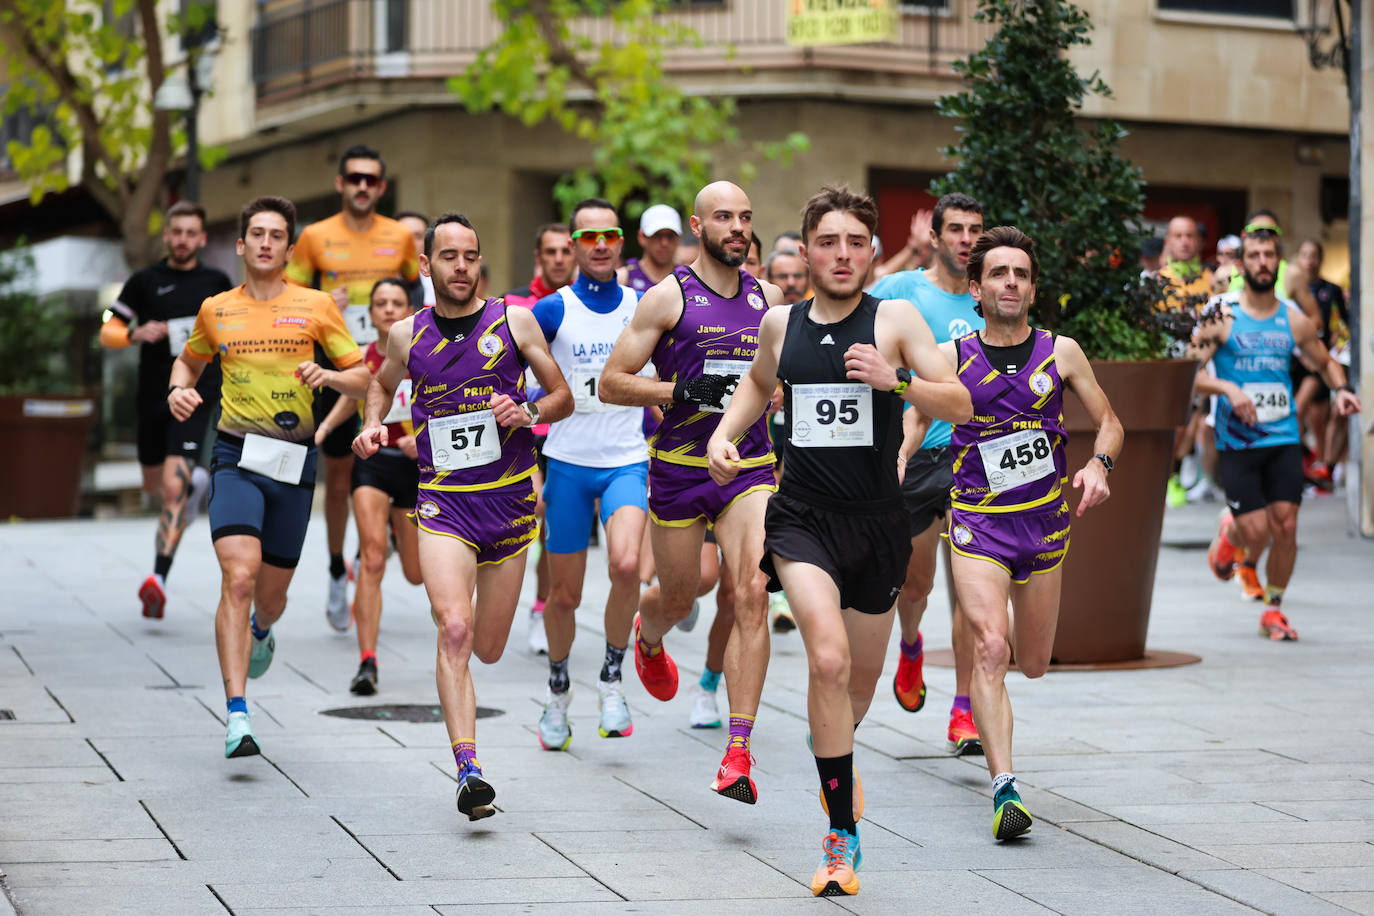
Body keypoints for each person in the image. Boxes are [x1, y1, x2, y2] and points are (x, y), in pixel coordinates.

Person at [708, 186, 971, 897]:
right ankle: (839, 840)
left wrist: (901, 380)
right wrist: (723, 436)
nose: (844, 254)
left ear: (871, 250)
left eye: (857, 242)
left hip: (879, 525)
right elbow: (758, 385)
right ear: (807, 247)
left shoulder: (895, 320)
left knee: (853, 688)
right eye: (829, 241)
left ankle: (833, 751)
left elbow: (961, 402)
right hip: (802, 518)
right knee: (825, 659)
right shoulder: (779, 323)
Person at [354, 213, 572, 820]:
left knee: (491, 647)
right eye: (447, 256)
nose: (460, 267)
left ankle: (472, 715)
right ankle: (468, 768)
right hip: (443, 502)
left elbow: (563, 396)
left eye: (470, 256)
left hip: (507, 503)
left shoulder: (514, 319)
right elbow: (379, 384)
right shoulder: (406, 335)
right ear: (426, 266)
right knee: (454, 628)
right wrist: (373, 423)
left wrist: (526, 409)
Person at [928, 226, 1122, 840]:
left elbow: (1111, 423)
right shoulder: (951, 355)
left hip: (1042, 524)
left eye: (1021, 274)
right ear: (976, 288)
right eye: (998, 274)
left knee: (1033, 663)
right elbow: (915, 414)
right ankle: (1004, 788)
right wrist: (900, 456)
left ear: (1032, 289)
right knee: (992, 646)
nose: (1010, 282)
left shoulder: (1061, 352)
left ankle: (992, 704)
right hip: (977, 521)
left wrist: (1099, 464)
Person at [600, 180, 784, 805]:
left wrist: (777, 392)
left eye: (746, 217)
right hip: (679, 470)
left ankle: (737, 751)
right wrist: (680, 392)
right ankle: (648, 639)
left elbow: (777, 380)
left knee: (751, 590)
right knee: (679, 597)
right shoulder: (666, 298)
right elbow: (611, 383)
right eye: (724, 217)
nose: (738, 227)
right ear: (696, 227)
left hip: (749, 469)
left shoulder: (771, 299)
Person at [167, 196, 370, 758]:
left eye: (276, 235)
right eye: (255, 233)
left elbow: (364, 380)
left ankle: (262, 629)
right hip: (234, 455)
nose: (264, 242)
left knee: (271, 597)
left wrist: (326, 373)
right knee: (238, 575)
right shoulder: (216, 309)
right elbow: (188, 361)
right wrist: (178, 388)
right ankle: (237, 713)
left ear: (288, 248)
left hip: (293, 460)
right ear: (240, 244)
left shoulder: (316, 306)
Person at [284, 144, 421, 633]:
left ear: (381, 188)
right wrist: (320, 301)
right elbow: (288, 297)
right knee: (340, 477)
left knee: (399, 457)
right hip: (341, 364)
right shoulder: (315, 237)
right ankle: (338, 568)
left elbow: (417, 293)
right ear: (340, 184)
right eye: (354, 178)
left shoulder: (400, 236)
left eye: (371, 180)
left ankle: (377, 539)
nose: (362, 186)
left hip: (395, 365)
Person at [1197, 228, 1359, 641]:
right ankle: (1230, 534)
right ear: (1243, 264)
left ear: (1279, 263)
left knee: (1285, 526)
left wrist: (1340, 390)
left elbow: (1325, 363)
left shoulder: (1292, 318)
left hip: (1283, 436)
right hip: (1237, 440)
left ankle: (1273, 608)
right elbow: (1189, 373)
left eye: (1269, 254)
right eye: (1254, 255)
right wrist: (1228, 389)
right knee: (1256, 531)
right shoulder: (1224, 316)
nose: (1263, 262)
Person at [869, 191, 986, 755]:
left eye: (975, 230)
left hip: (976, 462)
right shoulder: (901, 291)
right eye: (956, 229)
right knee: (916, 585)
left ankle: (963, 707)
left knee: (973, 596)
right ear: (935, 237)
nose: (966, 239)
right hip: (917, 455)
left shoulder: (992, 298)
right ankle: (911, 644)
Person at [530, 199, 650, 748]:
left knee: (626, 566)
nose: (600, 244)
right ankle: (558, 689)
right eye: (589, 236)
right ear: (574, 245)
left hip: (626, 458)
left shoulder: (643, 306)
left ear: (621, 242)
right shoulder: (552, 310)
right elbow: (519, 381)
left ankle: (610, 676)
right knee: (564, 596)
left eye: (610, 234)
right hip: (570, 465)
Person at [100, 201, 232, 619]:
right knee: (155, 486)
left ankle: (157, 578)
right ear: (166, 236)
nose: (183, 240)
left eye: (191, 233)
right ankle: (187, 497)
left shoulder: (217, 280)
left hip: (196, 396)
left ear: (203, 238)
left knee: (173, 489)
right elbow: (108, 329)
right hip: (152, 398)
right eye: (176, 232)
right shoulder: (144, 282)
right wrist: (135, 333)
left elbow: (229, 332)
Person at [315, 278, 423, 694]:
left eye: (397, 302)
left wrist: (425, 437)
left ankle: (399, 540)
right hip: (374, 465)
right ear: (372, 312)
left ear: (408, 309)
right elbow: (354, 393)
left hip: (417, 471)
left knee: (416, 574)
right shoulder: (363, 356)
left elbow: (450, 402)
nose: (390, 309)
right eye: (381, 303)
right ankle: (367, 662)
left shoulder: (424, 355)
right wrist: (324, 428)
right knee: (373, 559)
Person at [504, 223, 577, 654]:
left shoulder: (581, 305)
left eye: (565, 251)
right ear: (538, 257)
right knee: (535, 507)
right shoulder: (513, 305)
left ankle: (541, 604)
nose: (558, 258)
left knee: (551, 520)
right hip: (523, 426)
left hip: (567, 427)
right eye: (550, 251)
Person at [1292, 239, 1349, 490]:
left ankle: (1322, 465)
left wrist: (1339, 340)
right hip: (1296, 359)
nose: (1309, 261)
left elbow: (1345, 322)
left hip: (1318, 358)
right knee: (1300, 412)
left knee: (1316, 414)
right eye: (1304, 255)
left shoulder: (1331, 289)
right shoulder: (1291, 290)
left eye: (1314, 255)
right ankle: (1308, 460)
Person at [619, 204, 681, 293]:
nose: (664, 243)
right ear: (641, 237)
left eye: (670, 236)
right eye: (657, 235)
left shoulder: (688, 279)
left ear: (678, 238)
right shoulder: (622, 278)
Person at [395, 211, 436, 306]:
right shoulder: (376, 275)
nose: (411, 243)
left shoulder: (439, 282)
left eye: (417, 236)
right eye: (404, 236)